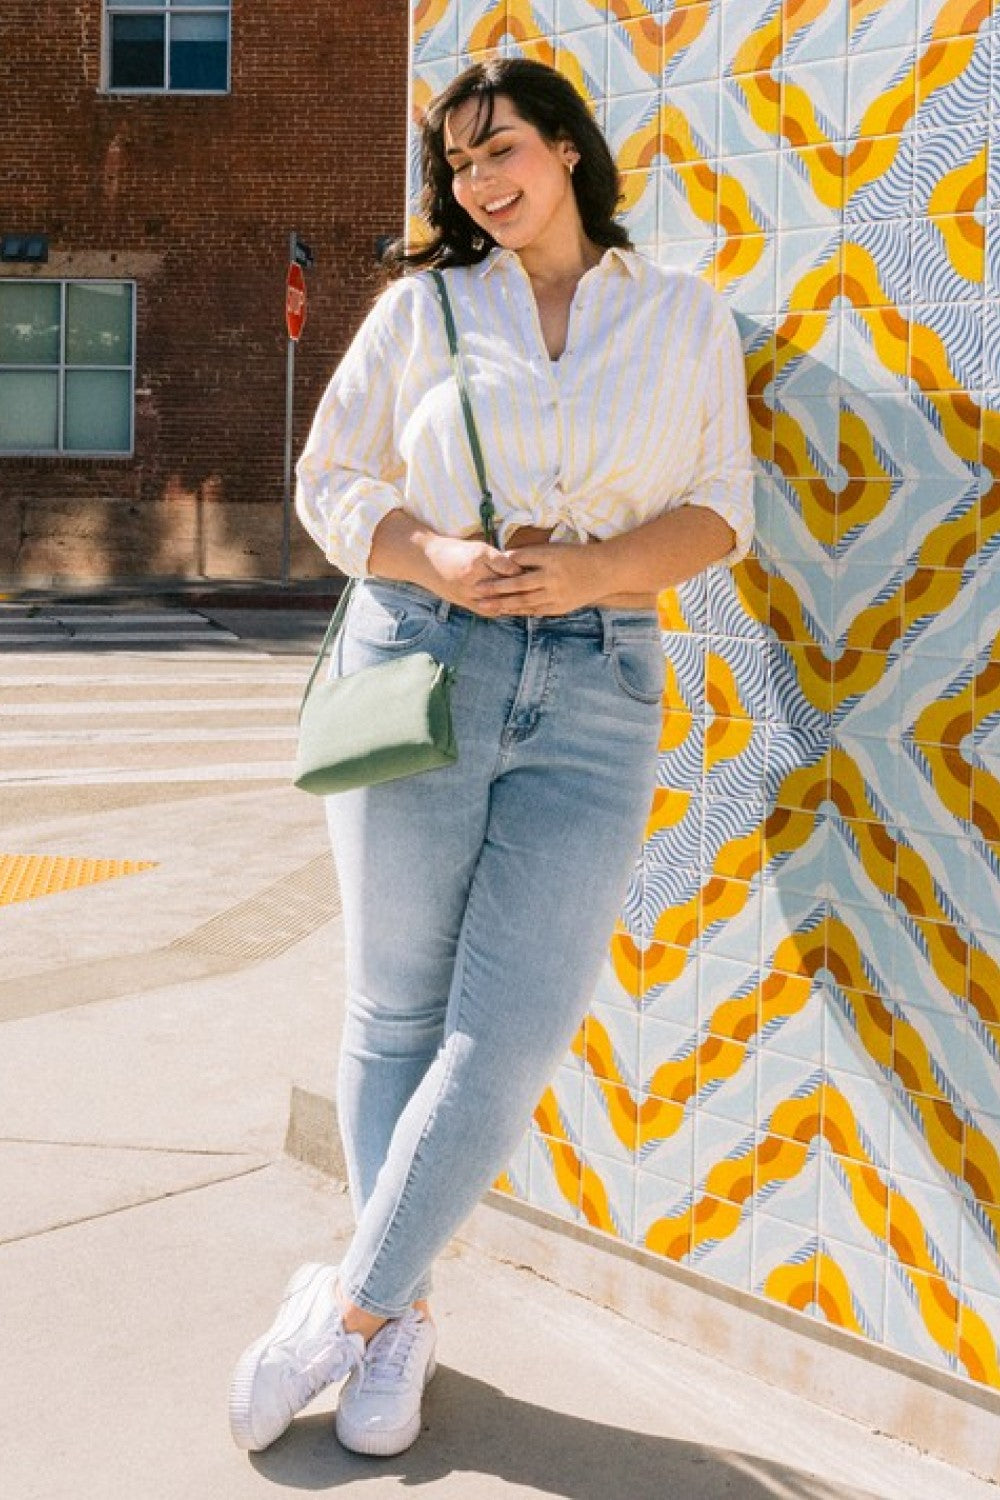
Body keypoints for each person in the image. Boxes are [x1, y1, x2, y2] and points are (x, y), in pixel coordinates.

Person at [229, 56, 753, 1460]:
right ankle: (401, 1317)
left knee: (509, 1031)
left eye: (500, 148)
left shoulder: (682, 313)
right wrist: (440, 558)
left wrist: (589, 572)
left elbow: (721, 509)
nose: (478, 182)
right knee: (395, 1011)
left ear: (567, 148)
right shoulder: (426, 309)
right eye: (458, 165)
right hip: (422, 659)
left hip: (599, 686)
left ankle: (347, 1308)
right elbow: (331, 482)